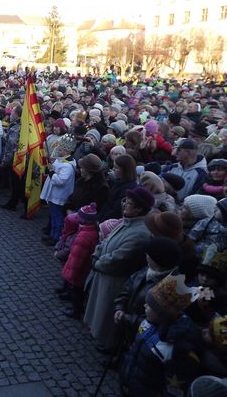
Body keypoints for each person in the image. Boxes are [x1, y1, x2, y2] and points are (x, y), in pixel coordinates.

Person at [84, 186, 154, 353]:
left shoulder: (140, 233)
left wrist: (97, 263)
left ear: (139, 209)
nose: (124, 205)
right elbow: (105, 241)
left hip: (114, 279)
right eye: (125, 201)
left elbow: (119, 258)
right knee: (99, 309)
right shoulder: (125, 221)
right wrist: (97, 254)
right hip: (103, 274)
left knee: (107, 313)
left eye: (129, 203)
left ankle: (111, 344)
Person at [119, 274, 206, 396]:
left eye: (149, 305)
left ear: (162, 314)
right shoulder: (149, 321)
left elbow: (174, 388)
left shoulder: (177, 348)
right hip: (131, 384)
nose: (145, 306)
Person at [40, 134, 77, 245]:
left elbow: (60, 181)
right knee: (53, 216)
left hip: (59, 196)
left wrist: (51, 171)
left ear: (66, 151)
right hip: (53, 195)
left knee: (58, 218)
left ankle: (56, 237)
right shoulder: (60, 160)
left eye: (60, 149)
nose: (57, 150)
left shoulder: (67, 166)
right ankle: (52, 235)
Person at [98, 154, 138, 222]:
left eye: (116, 167)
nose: (113, 169)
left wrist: (101, 222)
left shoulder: (129, 188)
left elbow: (116, 210)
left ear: (125, 170)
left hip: (110, 223)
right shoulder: (118, 182)